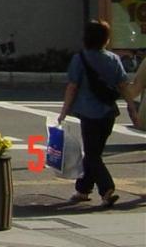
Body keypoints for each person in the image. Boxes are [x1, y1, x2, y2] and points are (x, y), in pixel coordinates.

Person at [57, 20, 132, 207]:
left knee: (92, 154)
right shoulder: (113, 59)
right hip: (108, 113)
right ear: (105, 39)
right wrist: (132, 108)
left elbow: (72, 87)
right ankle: (82, 190)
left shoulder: (79, 59)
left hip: (88, 113)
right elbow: (123, 85)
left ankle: (107, 188)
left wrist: (63, 112)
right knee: (94, 152)